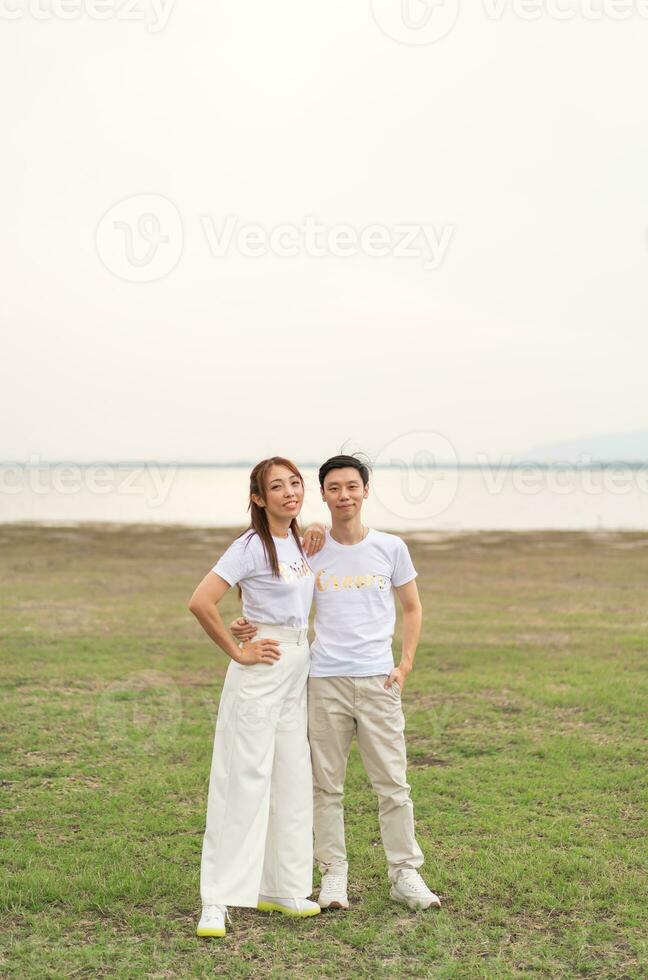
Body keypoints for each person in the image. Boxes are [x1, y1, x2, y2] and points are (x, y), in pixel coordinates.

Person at [232, 454, 441, 912]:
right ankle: (334, 875)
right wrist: (247, 625)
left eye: (352, 487)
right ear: (322, 494)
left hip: (378, 681)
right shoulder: (309, 547)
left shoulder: (391, 547)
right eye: (333, 488)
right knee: (327, 787)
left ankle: (405, 873)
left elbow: (412, 607)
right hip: (323, 679)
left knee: (393, 783)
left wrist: (404, 664)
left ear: (365, 491)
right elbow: (269, 588)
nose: (343, 495)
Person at [188, 457, 320, 939]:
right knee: (242, 778)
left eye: (296, 483)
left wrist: (318, 530)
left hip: (296, 669)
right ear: (259, 498)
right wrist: (238, 650)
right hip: (261, 671)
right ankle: (216, 899)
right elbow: (201, 601)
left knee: (291, 775)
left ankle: (281, 887)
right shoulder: (249, 546)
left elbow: (279, 600)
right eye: (277, 486)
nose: (290, 492)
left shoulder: (299, 543)